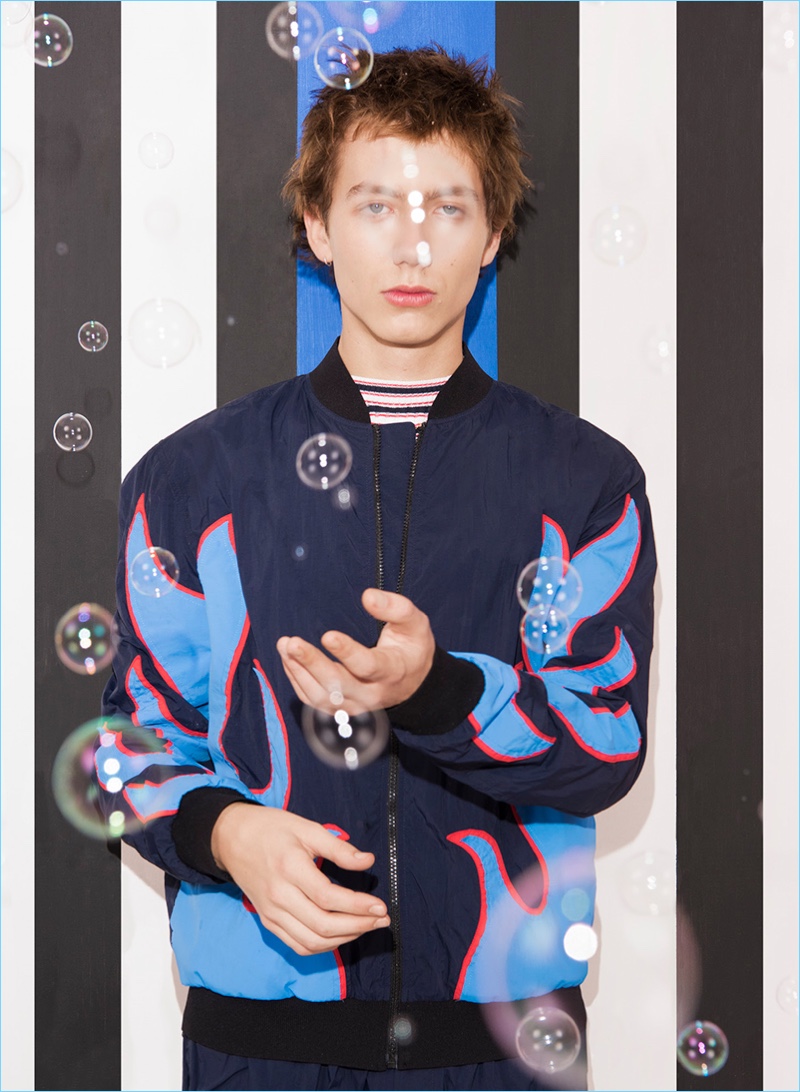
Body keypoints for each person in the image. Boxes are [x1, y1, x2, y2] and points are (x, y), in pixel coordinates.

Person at [103, 46, 656, 1092]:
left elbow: (606, 744)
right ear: (316, 226)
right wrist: (225, 833)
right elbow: (128, 748)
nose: (413, 243)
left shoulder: (586, 481)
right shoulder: (189, 479)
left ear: (492, 231)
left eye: (448, 206)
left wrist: (436, 690)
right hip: (256, 1052)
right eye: (373, 205)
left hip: (500, 1052)